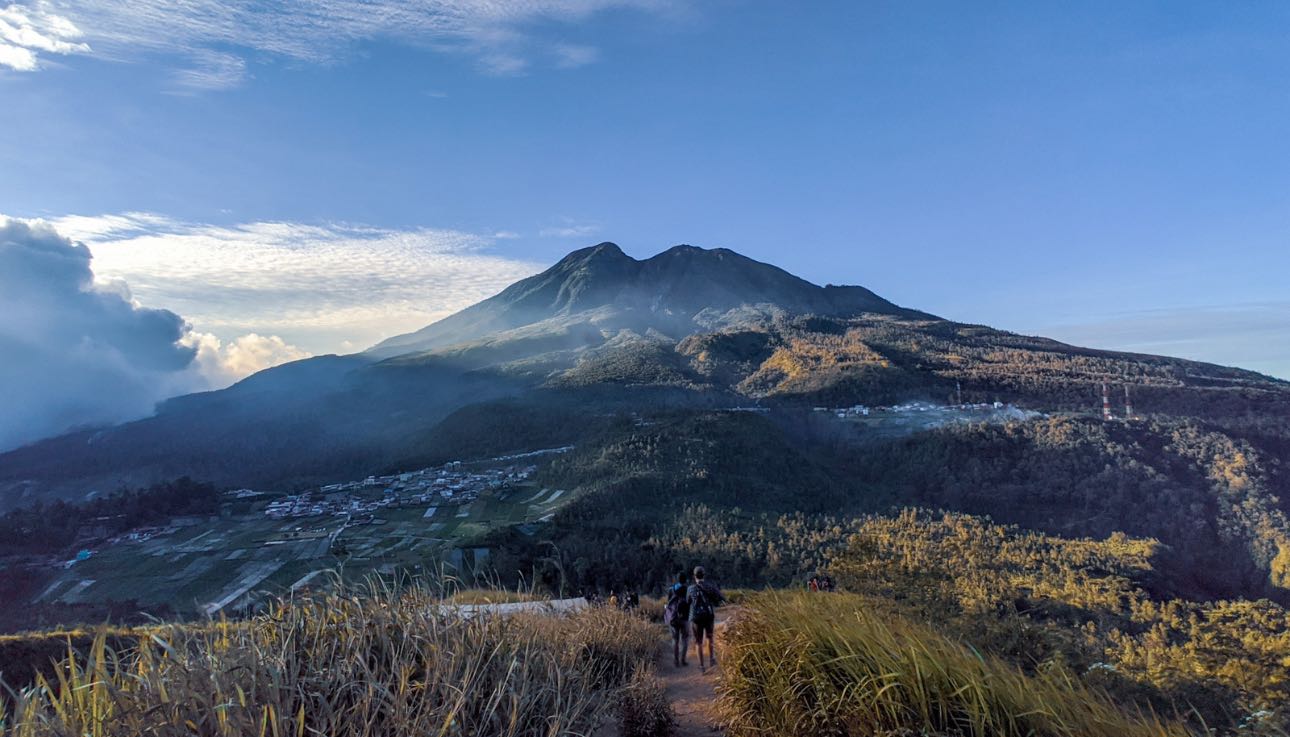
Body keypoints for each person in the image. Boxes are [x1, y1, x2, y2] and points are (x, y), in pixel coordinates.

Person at [688, 565, 725, 672]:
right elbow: (720, 597)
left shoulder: (690, 589)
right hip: (708, 616)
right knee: (710, 638)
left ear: (694, 576)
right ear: (704, 575)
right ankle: (712, 660)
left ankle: (701, 666)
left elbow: (687, 602)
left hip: (696, 618)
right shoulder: (710, 586)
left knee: (698, 642)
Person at [664, 572, 690, 667]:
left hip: (674, 617)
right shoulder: (688, 589)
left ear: (677, 579)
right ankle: (683, 660)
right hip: (685, 618)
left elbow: (669, 603)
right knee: (685, 639)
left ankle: (676, 661)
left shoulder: (672, 589)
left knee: (675, 639)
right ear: (685, 580)